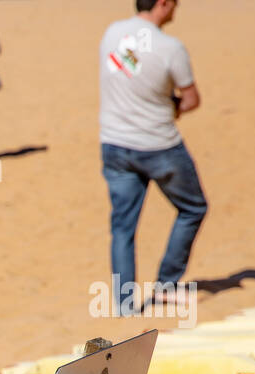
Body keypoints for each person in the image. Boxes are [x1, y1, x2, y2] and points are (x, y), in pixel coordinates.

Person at [99, 0, 207, 316]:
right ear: (162, 4)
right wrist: (168, 105)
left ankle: (124, 303)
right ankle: (167, 284)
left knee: (122, 226)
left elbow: (126, 72)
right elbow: (191, 99)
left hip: (115, 143)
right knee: (193, 207)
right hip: (159, 145)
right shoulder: (170, 47)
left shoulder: (112, 33)